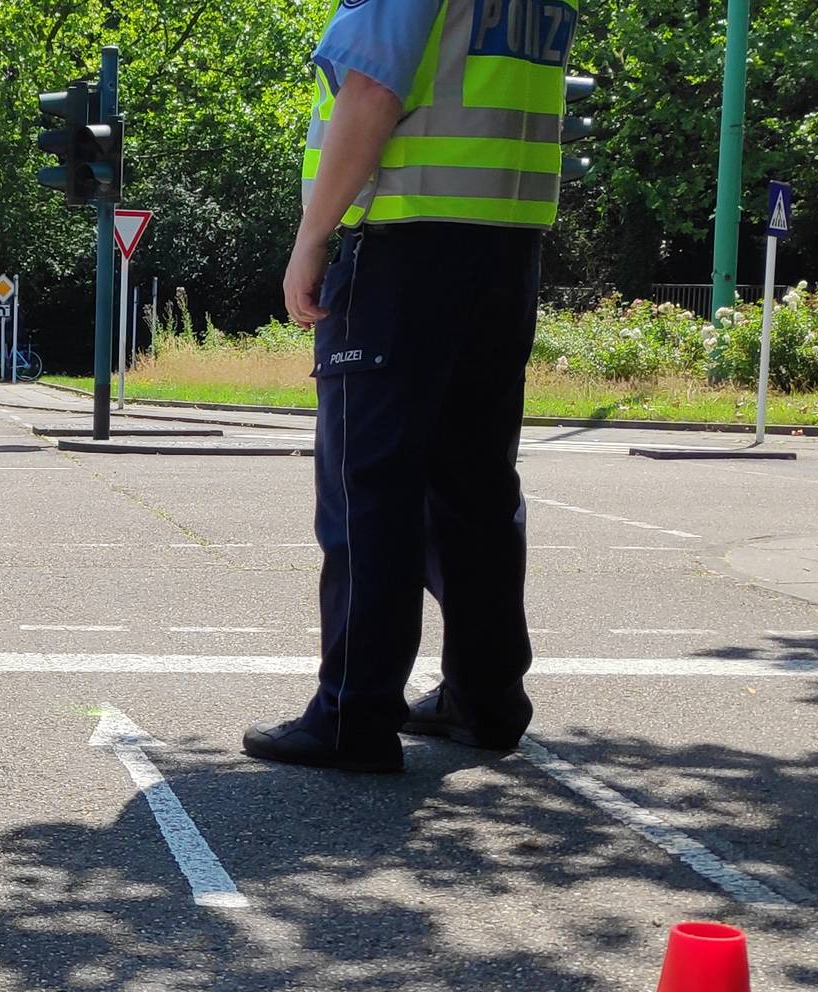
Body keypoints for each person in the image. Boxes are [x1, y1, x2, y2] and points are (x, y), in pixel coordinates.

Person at [241, 0, 576, 771]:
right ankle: (485, 699)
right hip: (505, 246)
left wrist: (311, 237)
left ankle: (352, 714)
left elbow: (370, 92)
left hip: (402, 244)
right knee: (477, 485)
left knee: (371, 486)